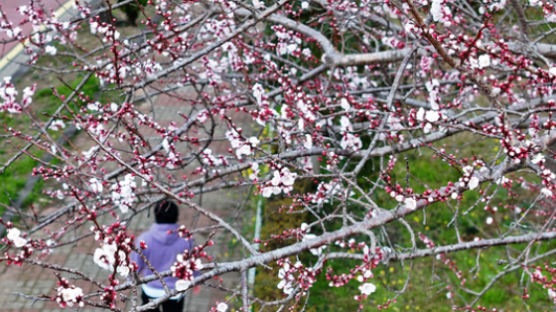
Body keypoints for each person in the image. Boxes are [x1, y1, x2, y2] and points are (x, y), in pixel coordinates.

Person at [132, 199, 199, 312]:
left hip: (151, 289)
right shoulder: (186, 239)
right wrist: (196, 280)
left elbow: (135, 267)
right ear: (176, 217)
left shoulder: (144, 240)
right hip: (176, 289)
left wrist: (131, 281)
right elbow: (193, 264)